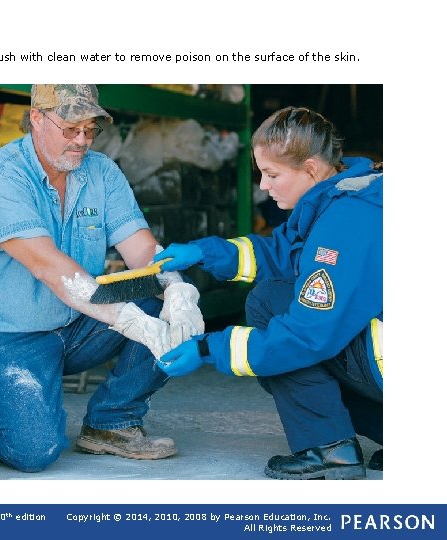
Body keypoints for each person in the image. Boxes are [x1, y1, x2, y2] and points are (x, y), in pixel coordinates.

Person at [0, 84, 203, 472]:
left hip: (75, 324)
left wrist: (180, 291)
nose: (81, 141)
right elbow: (50, 268)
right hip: (4, 334)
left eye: (90, 129)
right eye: (70, 128)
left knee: (161, 296)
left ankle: (112, 422)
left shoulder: (101, 172)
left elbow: (142, 251)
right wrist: (133, 323)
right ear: (36, 118)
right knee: (36, 450)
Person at [154, 106, 383, 480]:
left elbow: (306, 336)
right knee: (282, 311)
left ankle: (328, 449)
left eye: (272, 174)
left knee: (271, 308)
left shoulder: (347, 220)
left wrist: (208, 348)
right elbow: (284, 254)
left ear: (310, 168)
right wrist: (206, 252)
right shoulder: (348, 193)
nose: (263, 186)